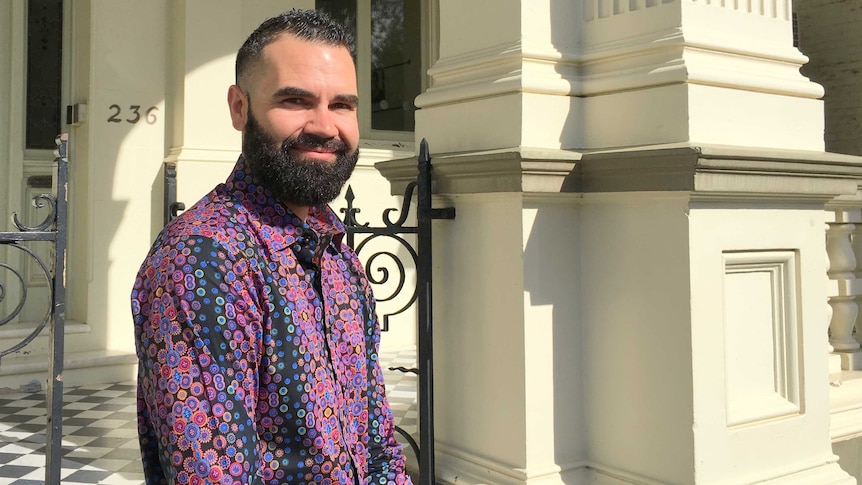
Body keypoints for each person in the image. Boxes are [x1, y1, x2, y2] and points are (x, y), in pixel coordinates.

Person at [131, 9, 412, 485]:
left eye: (342, 105)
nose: (325, 125)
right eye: (296, 100)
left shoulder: (337, 255)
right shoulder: (205, 261)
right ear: (240, 108)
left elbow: (376, 444)